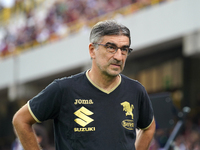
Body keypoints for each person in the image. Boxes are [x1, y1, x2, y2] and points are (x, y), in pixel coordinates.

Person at [12, 20, 156, 150]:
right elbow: (21, 120)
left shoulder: (136, 90)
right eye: (111, 47)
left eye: (124, 49)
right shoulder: (63, 89)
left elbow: (148, 127)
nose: (119, 56)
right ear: (92, 50)